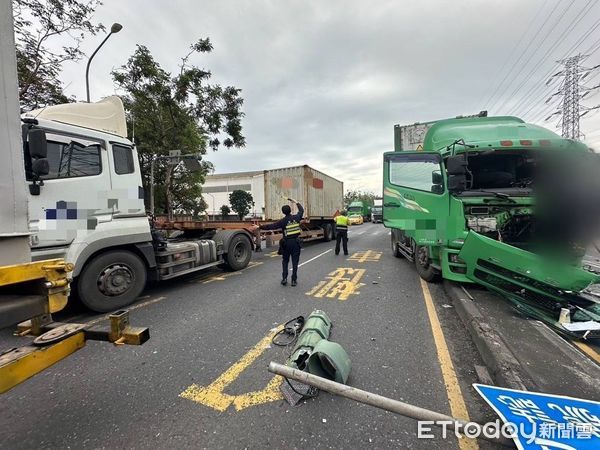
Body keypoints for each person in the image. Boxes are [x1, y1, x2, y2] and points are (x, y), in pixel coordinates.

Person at [256, 198, 304, 286]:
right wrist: (295, 202)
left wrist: (260, 227)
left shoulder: (283, 221)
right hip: (296, 243)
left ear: (283, 212)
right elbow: (301, 210)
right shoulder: (297, 217)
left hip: (286, 244)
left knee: (285, 261)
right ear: (290, 210)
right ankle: (294, 280)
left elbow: (272, 226)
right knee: (295, 262)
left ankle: (284, 279)